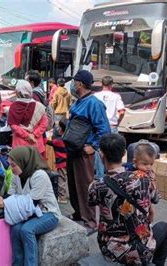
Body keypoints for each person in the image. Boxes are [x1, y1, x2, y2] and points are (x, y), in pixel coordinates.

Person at [88, 134, 167, 265]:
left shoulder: (95, 186)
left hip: (109, 249)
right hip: (140, 249)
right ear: (124, 153)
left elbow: (92, 202)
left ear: (101, 154)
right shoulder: (143, 178)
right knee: (164, 228)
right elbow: (155, 199)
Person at [0, 146, 61, 265]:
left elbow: (32, 203)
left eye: (13, 165)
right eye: (10, 165)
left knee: (27, 230)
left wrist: (4, 203)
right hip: (31, 212)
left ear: (24, 162)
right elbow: (10, 195)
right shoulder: (16, 175)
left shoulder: (40, 175)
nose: (11, 169)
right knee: (16, 228)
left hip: (48, 213)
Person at [66, 70, 110, 231]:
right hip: (73, 149)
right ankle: (78, 213)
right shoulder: (78, 101)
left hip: (84, 152)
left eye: (74, 81)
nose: (72, 84)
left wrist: (94, 146)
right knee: (73, 184)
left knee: (85, 186)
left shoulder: (94, 103)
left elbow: (104, 129)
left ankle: (90, 220)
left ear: (79, 83)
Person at [7, 80, 48, 158]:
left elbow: (13, 125)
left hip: (20, 145)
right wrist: (34, 134)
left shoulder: (14, 106)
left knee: (21, 168)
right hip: (36, 143)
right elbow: (44, 123)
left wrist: (27, 136)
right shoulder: (39, 106)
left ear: (18, 92)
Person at [47, 118, 69, 203]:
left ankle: (62, 197)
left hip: (61, 163)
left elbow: (46, 141)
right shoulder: (70, 140)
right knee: (68, 179)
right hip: (69, 162)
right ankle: (68, 195)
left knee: (61, 180)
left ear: (61, 129)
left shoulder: (57, 141)